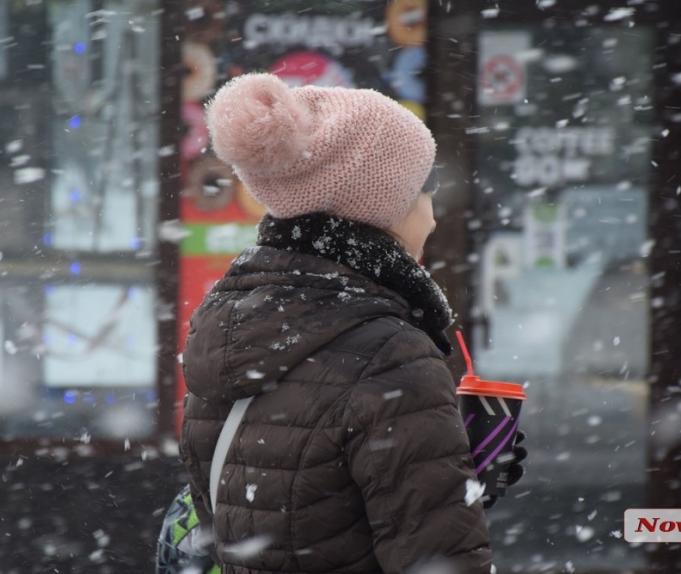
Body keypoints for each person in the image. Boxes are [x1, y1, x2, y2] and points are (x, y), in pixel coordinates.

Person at [178, 73, 523, 574]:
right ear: (381, 206)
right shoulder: (390, 355)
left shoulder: (227, 334)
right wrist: (444, 489)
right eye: (425, 193)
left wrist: (448, 474)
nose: (433, 218)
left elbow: (256, 524)